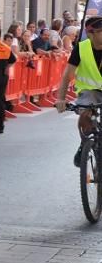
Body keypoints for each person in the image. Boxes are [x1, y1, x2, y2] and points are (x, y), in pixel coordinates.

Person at [56, 16, 102, 167]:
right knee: (85, 114)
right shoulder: (81, 48)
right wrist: (61, 99)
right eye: (100, 31)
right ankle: (85, 144)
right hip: (89, 91)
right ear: (90, 33)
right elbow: (67, 76)